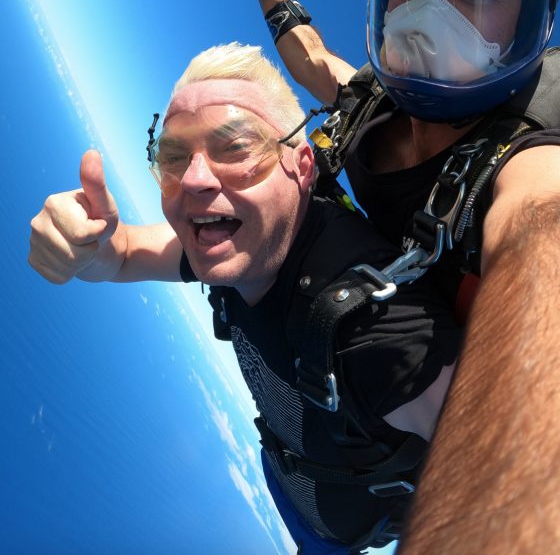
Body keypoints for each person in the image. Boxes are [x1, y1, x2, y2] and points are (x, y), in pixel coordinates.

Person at [216, 0, 560, 551]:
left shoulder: (525, 162)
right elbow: (311, 57)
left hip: (400, 467)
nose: (431, 12)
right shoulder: (373, 106)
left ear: (527, 26)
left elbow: (540, 236)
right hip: (305, 445)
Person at [29, 43, 461, 553]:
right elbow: (121, 254)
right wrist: (83, 250)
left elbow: (515, 483)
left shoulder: (377, 331)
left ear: (301, 167)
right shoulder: (236, 239)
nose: (193, 179)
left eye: (236, 148)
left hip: (341, 528)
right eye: (172, 156)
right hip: (293, 477)